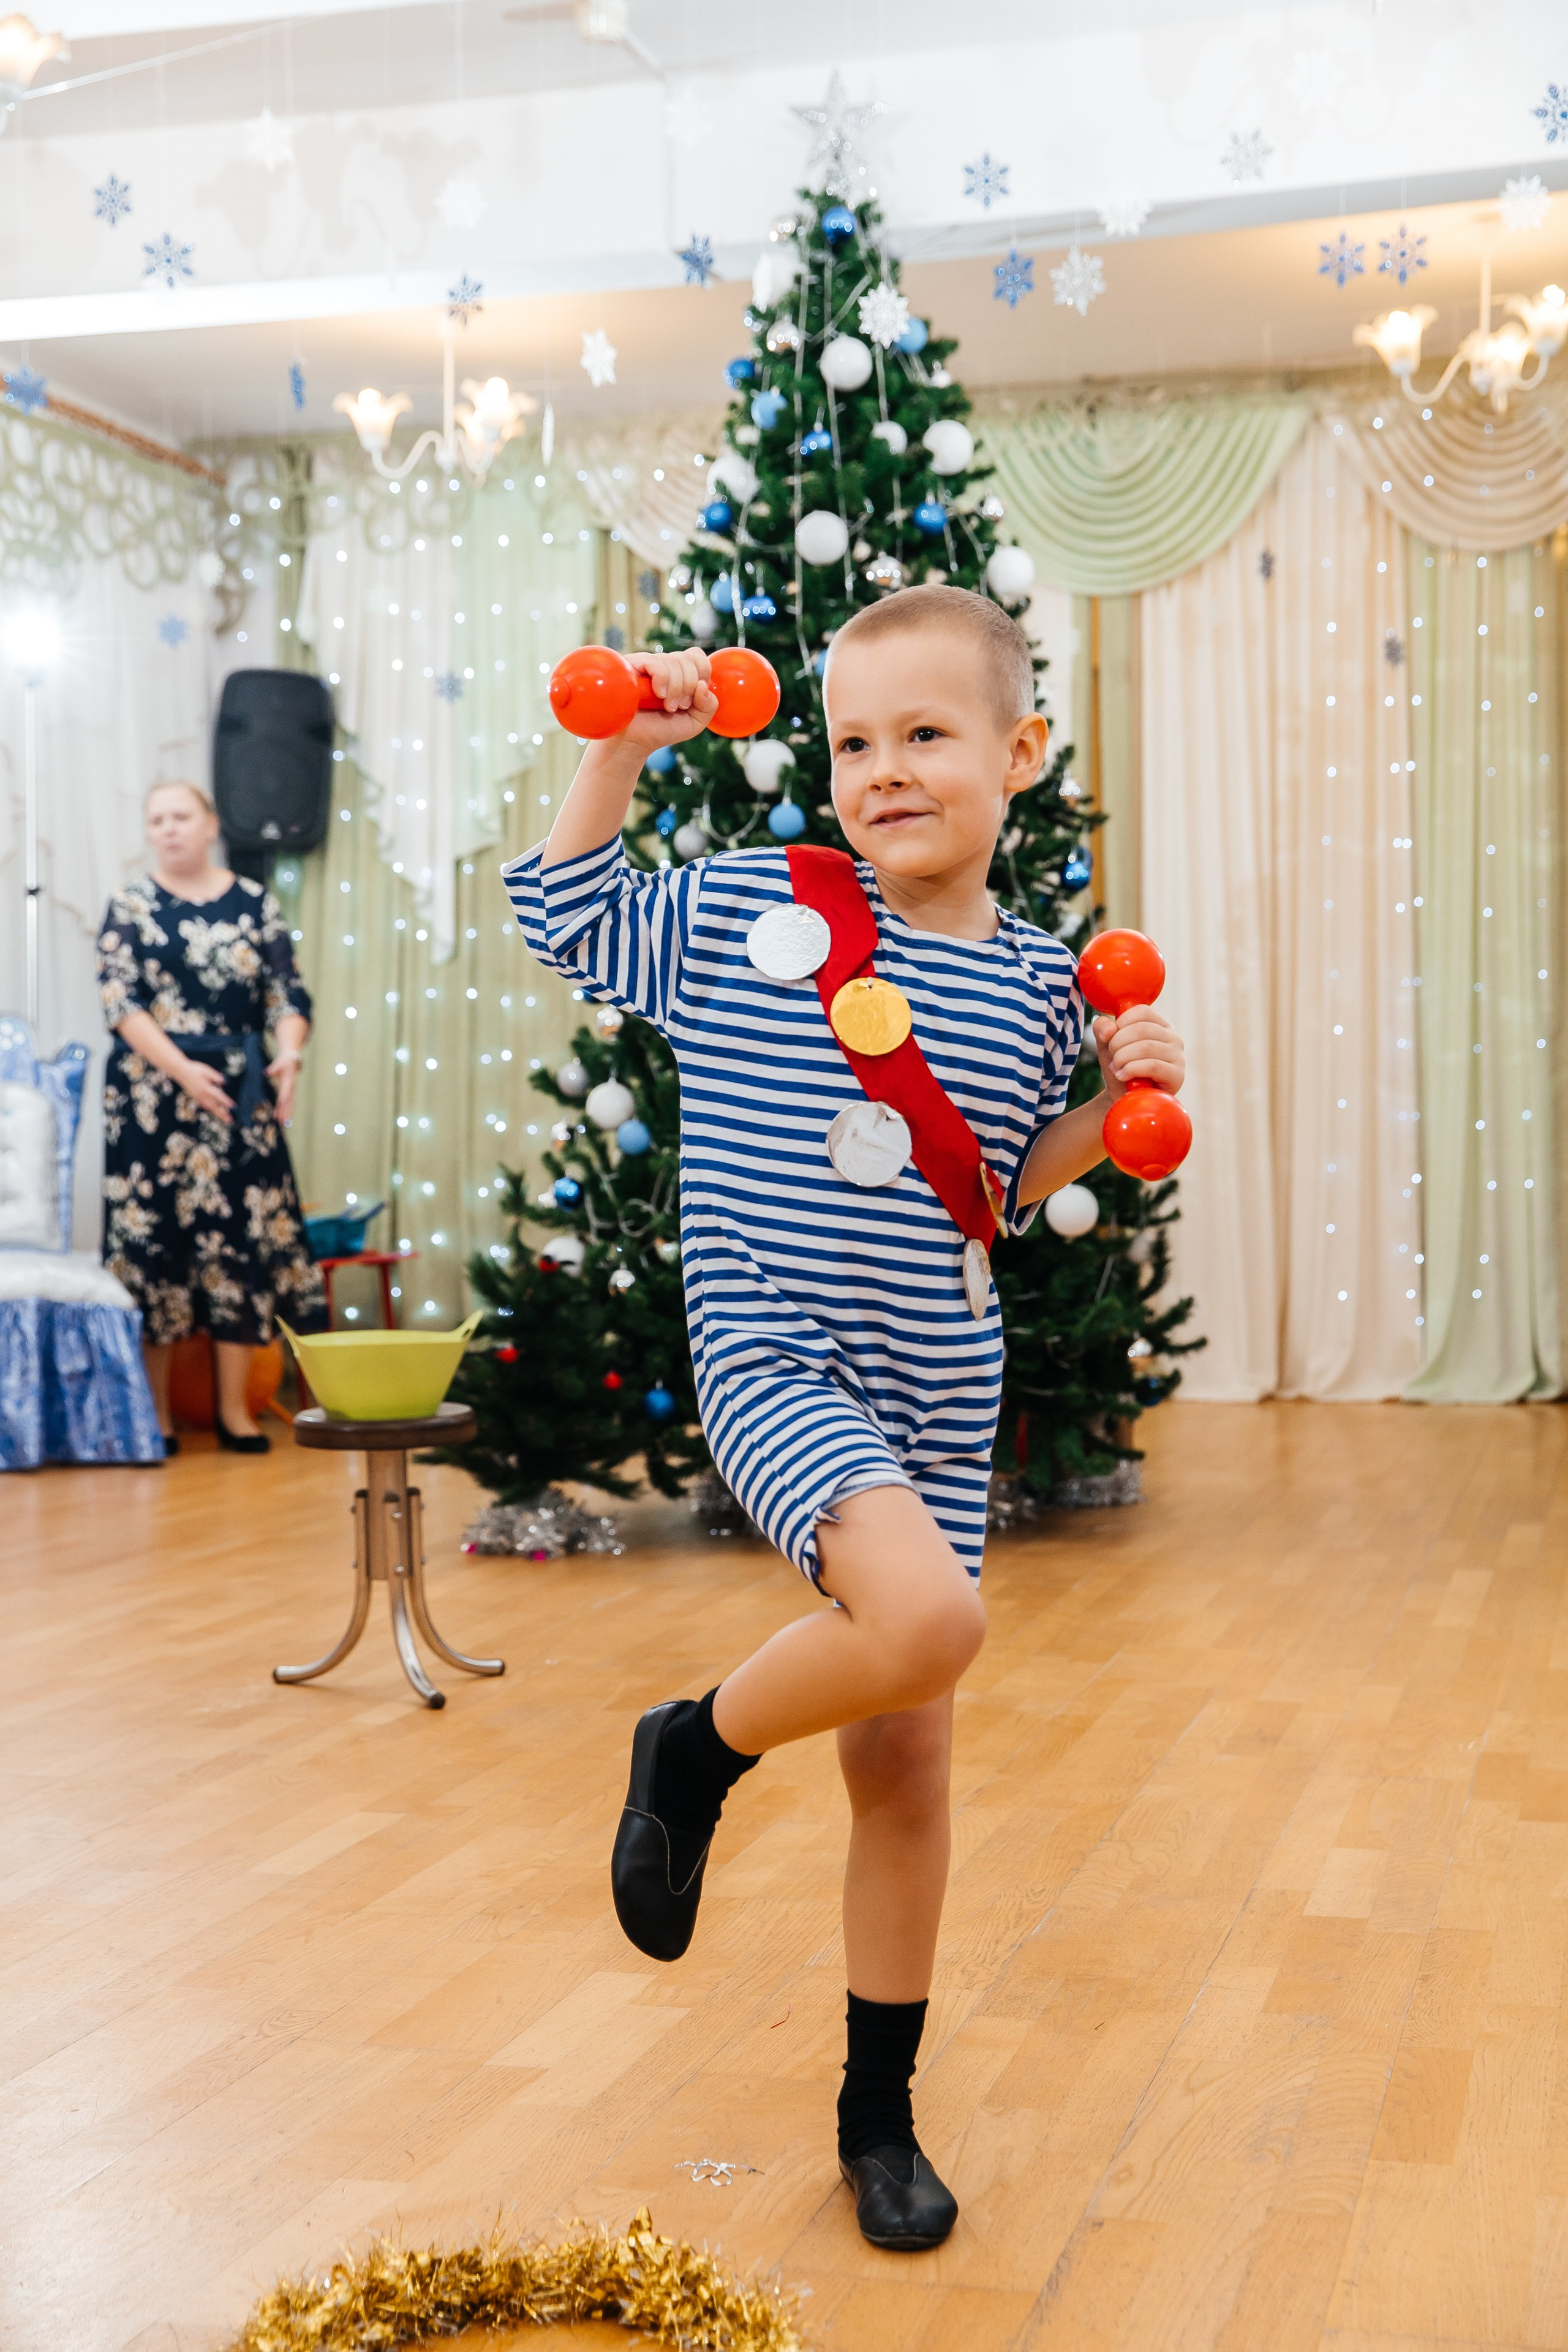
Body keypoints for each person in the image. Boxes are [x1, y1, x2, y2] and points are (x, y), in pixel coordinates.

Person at [505, 587, 1185, 2251]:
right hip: (775, 1353)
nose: (885, 770)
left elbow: (1001, 1185)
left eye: (928, 735)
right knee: (932, 1620)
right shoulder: (756, 906)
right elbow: (562, 912)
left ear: (1019, 755)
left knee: (908, 1755)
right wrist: (622, 742)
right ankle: (700, 1743)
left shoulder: (1038, 984)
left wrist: (1118, 1104)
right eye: (856, 740)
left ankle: (877, 2120)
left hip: (941, 1385)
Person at [96, 780, 326, 1455]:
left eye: (180, 816)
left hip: (237, 1094)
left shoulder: (254, 903)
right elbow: (120, 1001)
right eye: (156, 819)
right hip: (150, 1098)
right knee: (152, 1248)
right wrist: (181, 1071)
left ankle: (235, 1412)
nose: (168, 828)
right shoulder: (130, 905)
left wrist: (288, 1055)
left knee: (238, 1244)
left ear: (209, 824)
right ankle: (157, 1418)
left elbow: (288, 993)